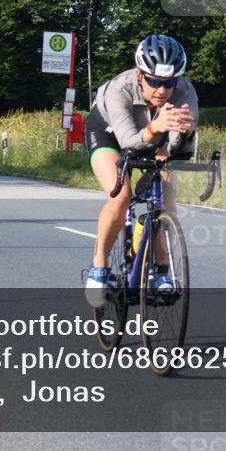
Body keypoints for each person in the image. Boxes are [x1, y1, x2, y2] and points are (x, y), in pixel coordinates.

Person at [83, 35, 198, 307]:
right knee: (121, 196)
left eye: (169, 82)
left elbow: (179, 147)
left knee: (166, 198)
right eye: (154, 82)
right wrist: (156, 127)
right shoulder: (119, 89)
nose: (162, 89)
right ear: (139, 75)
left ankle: (162, 271)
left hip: (154, 137)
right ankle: (99, 266)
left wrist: (184, 134)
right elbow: (129, 143)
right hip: (109, 134)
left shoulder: (185, 92)